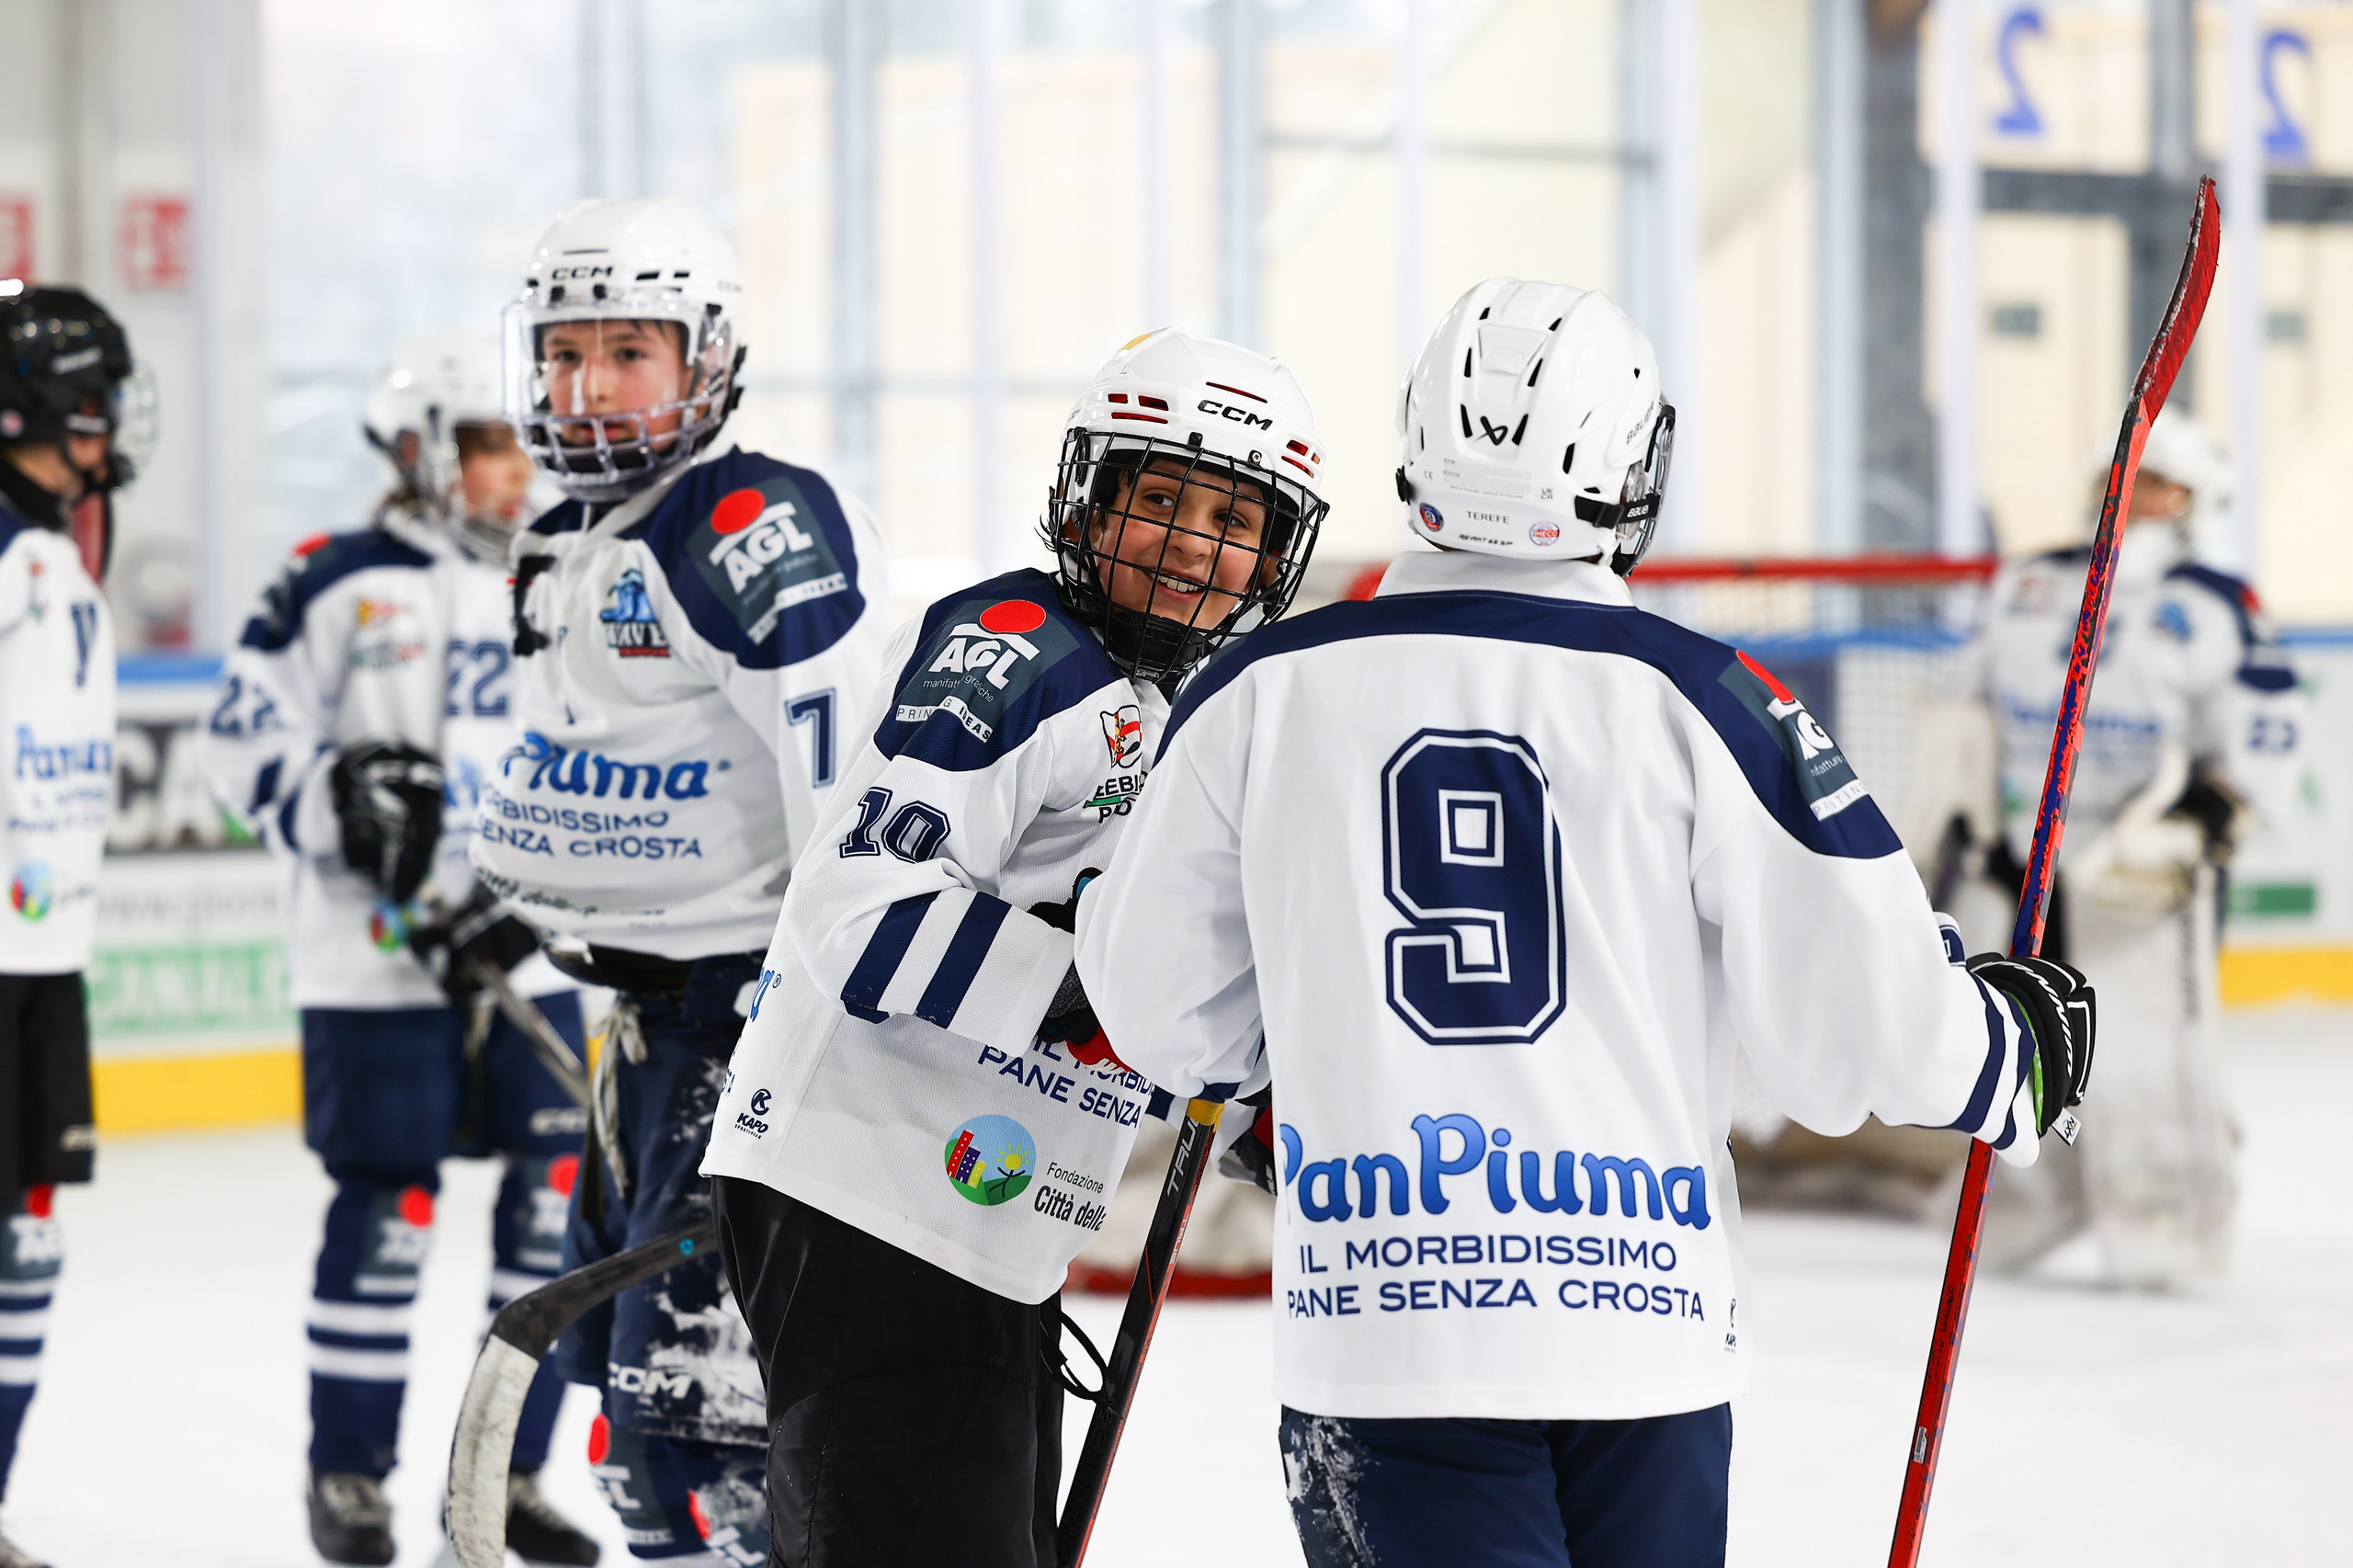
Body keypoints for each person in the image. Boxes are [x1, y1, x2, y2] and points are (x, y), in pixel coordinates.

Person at [1074, 278, 2097, 1568]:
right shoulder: (1705, 696)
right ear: (1625, 461)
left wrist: (1291, 1074)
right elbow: (1857, 1022)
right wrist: (2005, 1053)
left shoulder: (1255, 690)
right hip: (1642, 1336)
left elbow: (1157, 1000)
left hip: (1382, 1323)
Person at [699, 328, 1327, 1563]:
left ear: (1274, 554)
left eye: (1232, 518)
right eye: (1161, 499)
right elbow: (860, 912)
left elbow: (1154, 976)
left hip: (977, 1219)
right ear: (1088, 501)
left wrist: (1250, 1097)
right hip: (870, 1196)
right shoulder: (1014, 647)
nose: (1192, 543)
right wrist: (1102, 993)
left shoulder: (1174, 709)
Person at [473, 197, 894, 1566]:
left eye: (627, 352)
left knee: (691, 1437)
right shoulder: (563, 535)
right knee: (634, 1411)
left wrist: (808, 1024)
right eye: (564, 353)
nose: (587, 388)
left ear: (707, 357)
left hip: (746, 1022)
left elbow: (849, 795)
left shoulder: (750, 523)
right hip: (640, 1031)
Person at [198, 332, 600, 1566]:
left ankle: (505, 1476)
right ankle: (350, 1472)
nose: (513, 469)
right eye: (485, 443)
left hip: (530, 954)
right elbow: (237, 740)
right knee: (391, 1209)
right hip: (372, 965)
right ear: (422, 450)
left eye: (521, 443)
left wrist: (554, 894)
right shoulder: (334, 577)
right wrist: (337, 799)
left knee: (551, 1208)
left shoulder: (570, 573)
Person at [1959, 411, 2303, 1285]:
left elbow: (2266, 730)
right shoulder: (2028, 581)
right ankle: (2022, 1212)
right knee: (2016, 1039)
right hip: (2024, 862)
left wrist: (2206, 819)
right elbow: (1967, 706)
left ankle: (2168, 1232)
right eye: (2124, 477)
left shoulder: (2218, 604)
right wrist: (1966, 815)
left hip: (2144, 869)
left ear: (2197, 500)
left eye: (2160, 484)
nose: (2134, 495)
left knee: (2148, 1054)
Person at [0, 281, 142, 1568]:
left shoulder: (51, 549)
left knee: (28, 1235)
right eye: (89, 401)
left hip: (45, 958)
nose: (106, 426)